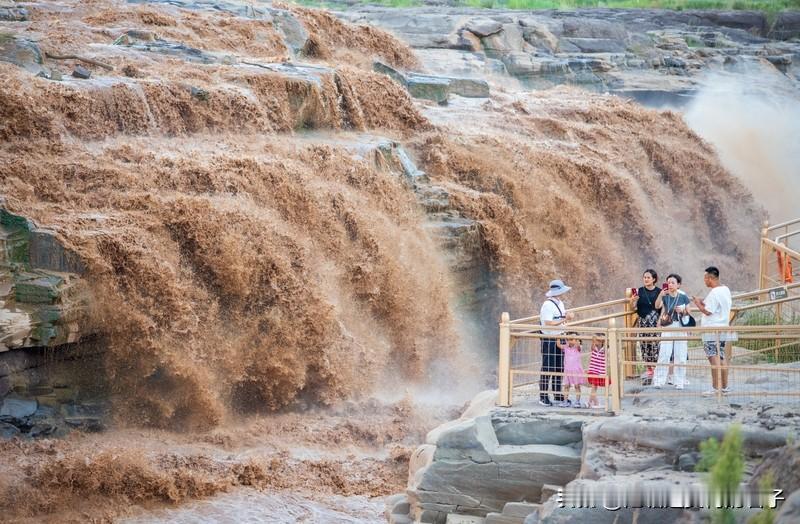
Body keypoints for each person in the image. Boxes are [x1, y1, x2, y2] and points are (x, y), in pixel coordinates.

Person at [692, 266, 733, 396]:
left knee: (713, 358)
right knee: (720, 357)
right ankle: (725, 387)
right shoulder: (725, 289)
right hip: (723, 328)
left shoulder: (715, 292)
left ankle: (716, 388)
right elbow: (714, 306)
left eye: (705, 278)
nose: (704, 281)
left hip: (712, 330)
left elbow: (708, 311)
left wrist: (697, 303)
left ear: (710, 278)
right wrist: (703, 302)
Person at [539, 279, 574, 407]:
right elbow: (548, 323)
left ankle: (557, 394)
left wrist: (567, 317)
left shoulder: (559, 302)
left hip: (560, 336)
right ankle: (543, 396)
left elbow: (561, 317)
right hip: (550, 339)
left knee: (559, 367)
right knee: (548, 367)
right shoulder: (547, 305)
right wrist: (564, 319)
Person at [653, 274, 691, 389]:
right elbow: (657, 306)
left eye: (673, 282)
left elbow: (689, 312)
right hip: (668, 326)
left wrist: (682, 311)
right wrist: (660, 295)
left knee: (680, 354)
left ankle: (679, 381)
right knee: (664, 353)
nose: (670, 285)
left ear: (678, 285)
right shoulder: (665, 295)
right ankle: (659, 380)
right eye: (668, 282)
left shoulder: (683, 296)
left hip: (680, 325)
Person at [629, 269, 662, 384]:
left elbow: (662, 308)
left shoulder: (659, 291)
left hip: (655, 323)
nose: (646, 279)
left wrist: (660, 322)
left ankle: (657, 368)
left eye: (648, 277)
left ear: (654, 279)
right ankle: (649, 369)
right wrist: (633, 301)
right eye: (644, 277)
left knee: (656, 345)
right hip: (643, 322)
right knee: (644, 345)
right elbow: (633, 308)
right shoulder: (639, 291)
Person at [558, 332, 587, 408]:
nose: (570, 341)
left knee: (577, 386)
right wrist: (558, 336)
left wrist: (575, 338)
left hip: (576, 370)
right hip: (567, 370)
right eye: (569, 339)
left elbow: (577, 344)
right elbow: (558, 345)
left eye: (572, 339)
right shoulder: (566, 347)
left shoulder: (578, 347)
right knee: (566, 386)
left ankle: (577, 402)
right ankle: (565, 401)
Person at [587, 333, 609, 409]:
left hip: (600, 371)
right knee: (594, 387)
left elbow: (606, 348)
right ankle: (591, 402)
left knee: (594, 387)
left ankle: (593, 402)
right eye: (597, 341)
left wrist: (604, 340)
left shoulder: (604, 349)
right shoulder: (594, 348)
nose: (597, 342)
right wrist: (595, 338)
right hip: (593, 369)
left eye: (599, 341)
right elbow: (593, 341)